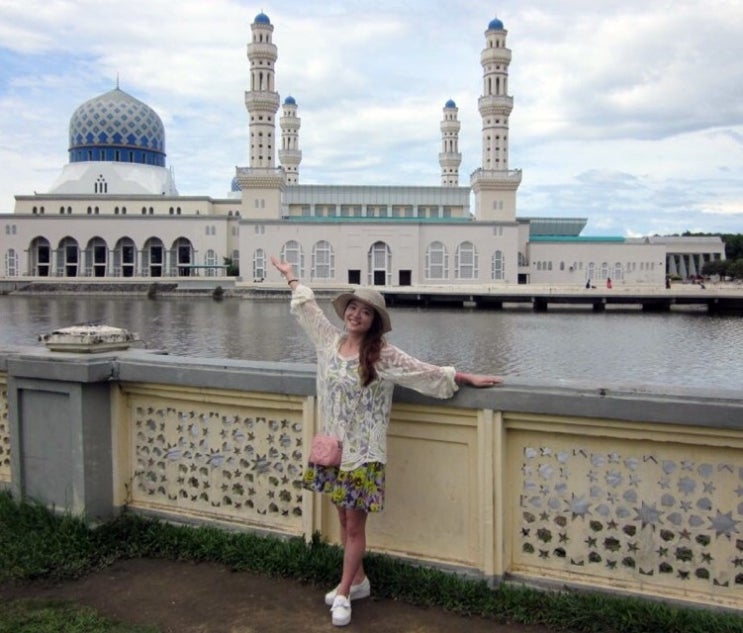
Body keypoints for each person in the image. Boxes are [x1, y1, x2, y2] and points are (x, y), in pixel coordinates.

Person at [270, 256, 501, 627]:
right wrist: (291, 277)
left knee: (355, 527)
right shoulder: (329, 342)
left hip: (363, 454)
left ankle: (343, 592)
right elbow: (308, 310)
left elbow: (422, 371)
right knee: (343, 519)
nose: (356, 315)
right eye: (353, 308)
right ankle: (358, 580)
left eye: (366, 312)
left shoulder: (382, 355)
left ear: (374, 321)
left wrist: (466, 377)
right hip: (334, 449)